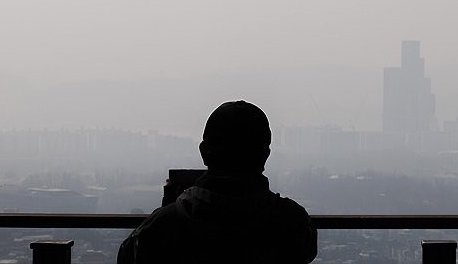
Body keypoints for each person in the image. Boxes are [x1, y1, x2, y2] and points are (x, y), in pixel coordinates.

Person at [118, 101, 318, 264]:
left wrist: (169, 209)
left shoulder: (163, 227)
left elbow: (130, 256)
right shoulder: (294, 222)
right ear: (265, 155)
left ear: (204, 152)